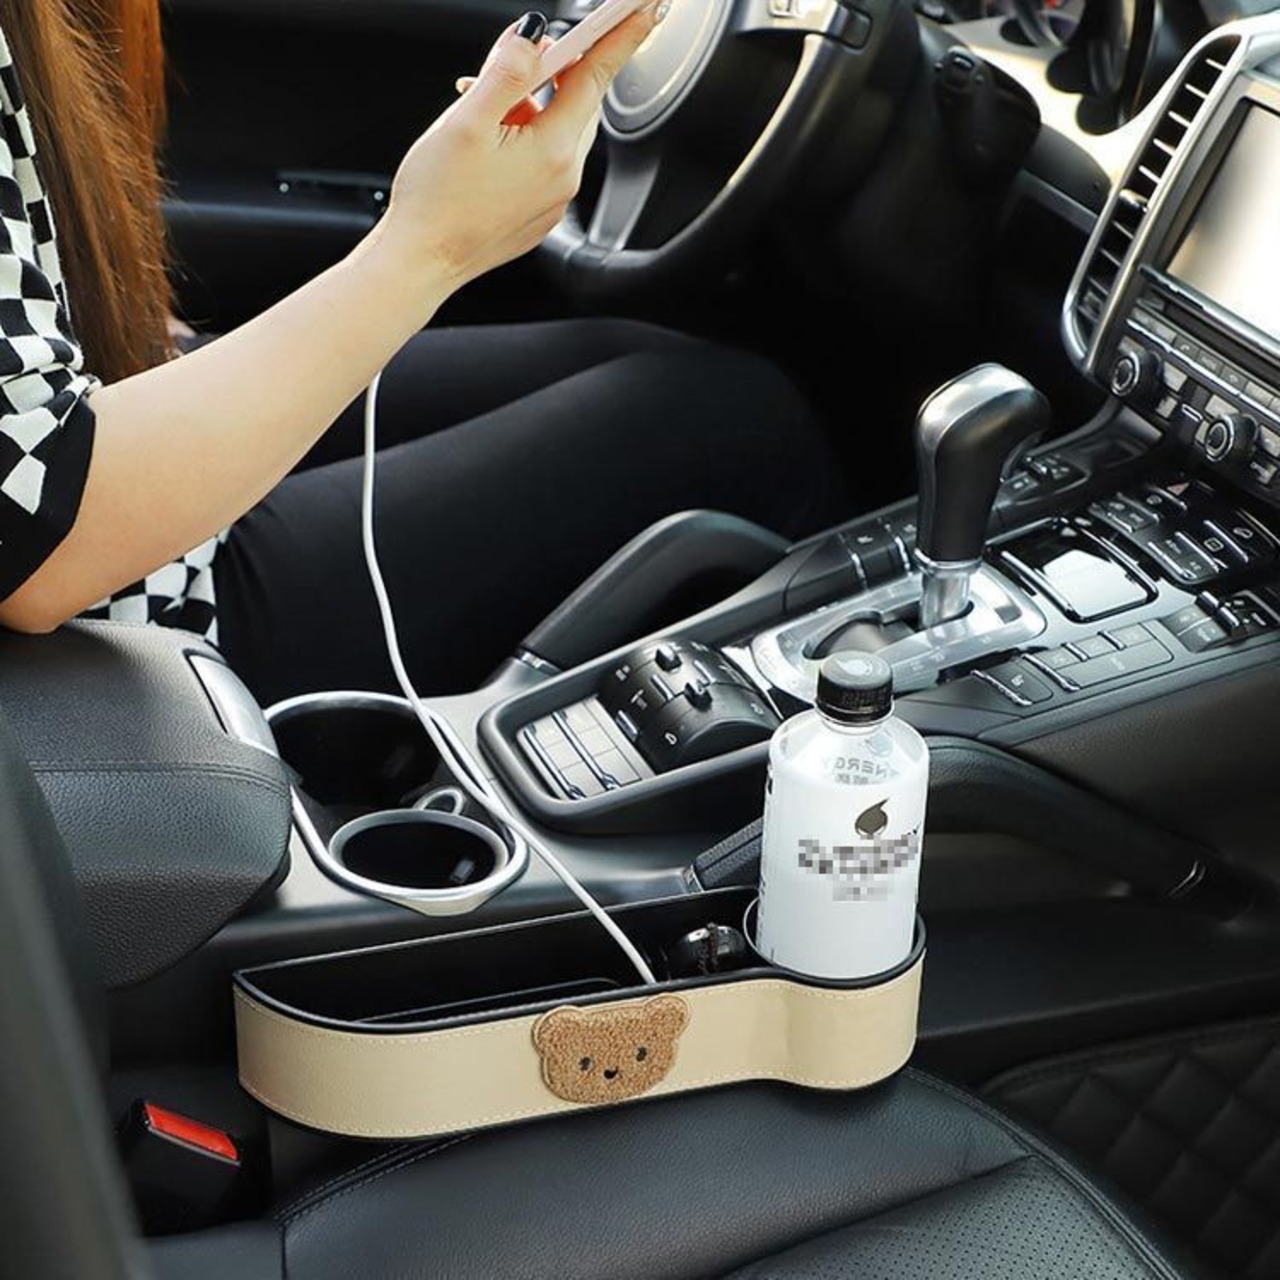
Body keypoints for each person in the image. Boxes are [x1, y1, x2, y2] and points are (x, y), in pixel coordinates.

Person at [0, 1, 846, 706]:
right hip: (127, 625)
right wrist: (431, 245)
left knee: (648, 368)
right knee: (736, 424)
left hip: (119, 426)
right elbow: (37, 532)